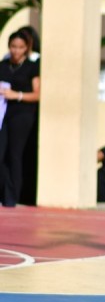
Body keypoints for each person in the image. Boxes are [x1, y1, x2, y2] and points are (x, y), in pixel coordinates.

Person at [0, 31, 40, 207]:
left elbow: (38, 94)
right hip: (3, 113)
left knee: (14, 155)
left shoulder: (32, 67)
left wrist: (17, 95)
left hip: (22, 114)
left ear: (26, 48)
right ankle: (4, 192)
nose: (16, 51)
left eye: (20, 47)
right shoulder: (3, 65)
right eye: (13, 47)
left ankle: (12, 196)